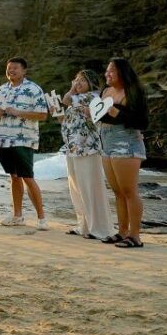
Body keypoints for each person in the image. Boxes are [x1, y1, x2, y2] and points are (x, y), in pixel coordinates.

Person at [0, 57, 50, 230]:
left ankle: (42, 218)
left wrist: (18, 112)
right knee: (14, 177)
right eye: (9, 68)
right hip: (3, 140)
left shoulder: (33, 89)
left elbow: (42, 115)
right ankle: (17, 216)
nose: (11, 71)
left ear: (24, 71)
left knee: (28, 177)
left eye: (15, 68)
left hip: (24, 140)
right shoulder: (0, 90)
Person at [99, 58, 149, 248]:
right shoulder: (105, 91)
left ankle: (135, 236)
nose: (107, 74)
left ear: (122, 73)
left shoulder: (133, 92)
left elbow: (142, 122)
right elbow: (99, 115)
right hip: (106, 142)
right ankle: (121, 232)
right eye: (106, 71)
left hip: (126, 143)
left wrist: (116, 113)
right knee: (118, 191)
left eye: (111, 71)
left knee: (129, 191)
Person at [58, 69, 114, 239]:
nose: (78, 83)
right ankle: (83, 225)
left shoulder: (93, 97)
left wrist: (71, 91)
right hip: (73, 148)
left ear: (91, 82)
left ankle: (97, 227)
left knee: (90, 187)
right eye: (76, 80)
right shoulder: (77, 99)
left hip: (88, 148)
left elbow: (66, 100)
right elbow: (67, 119)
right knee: (76, 187)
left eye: (82, 80)